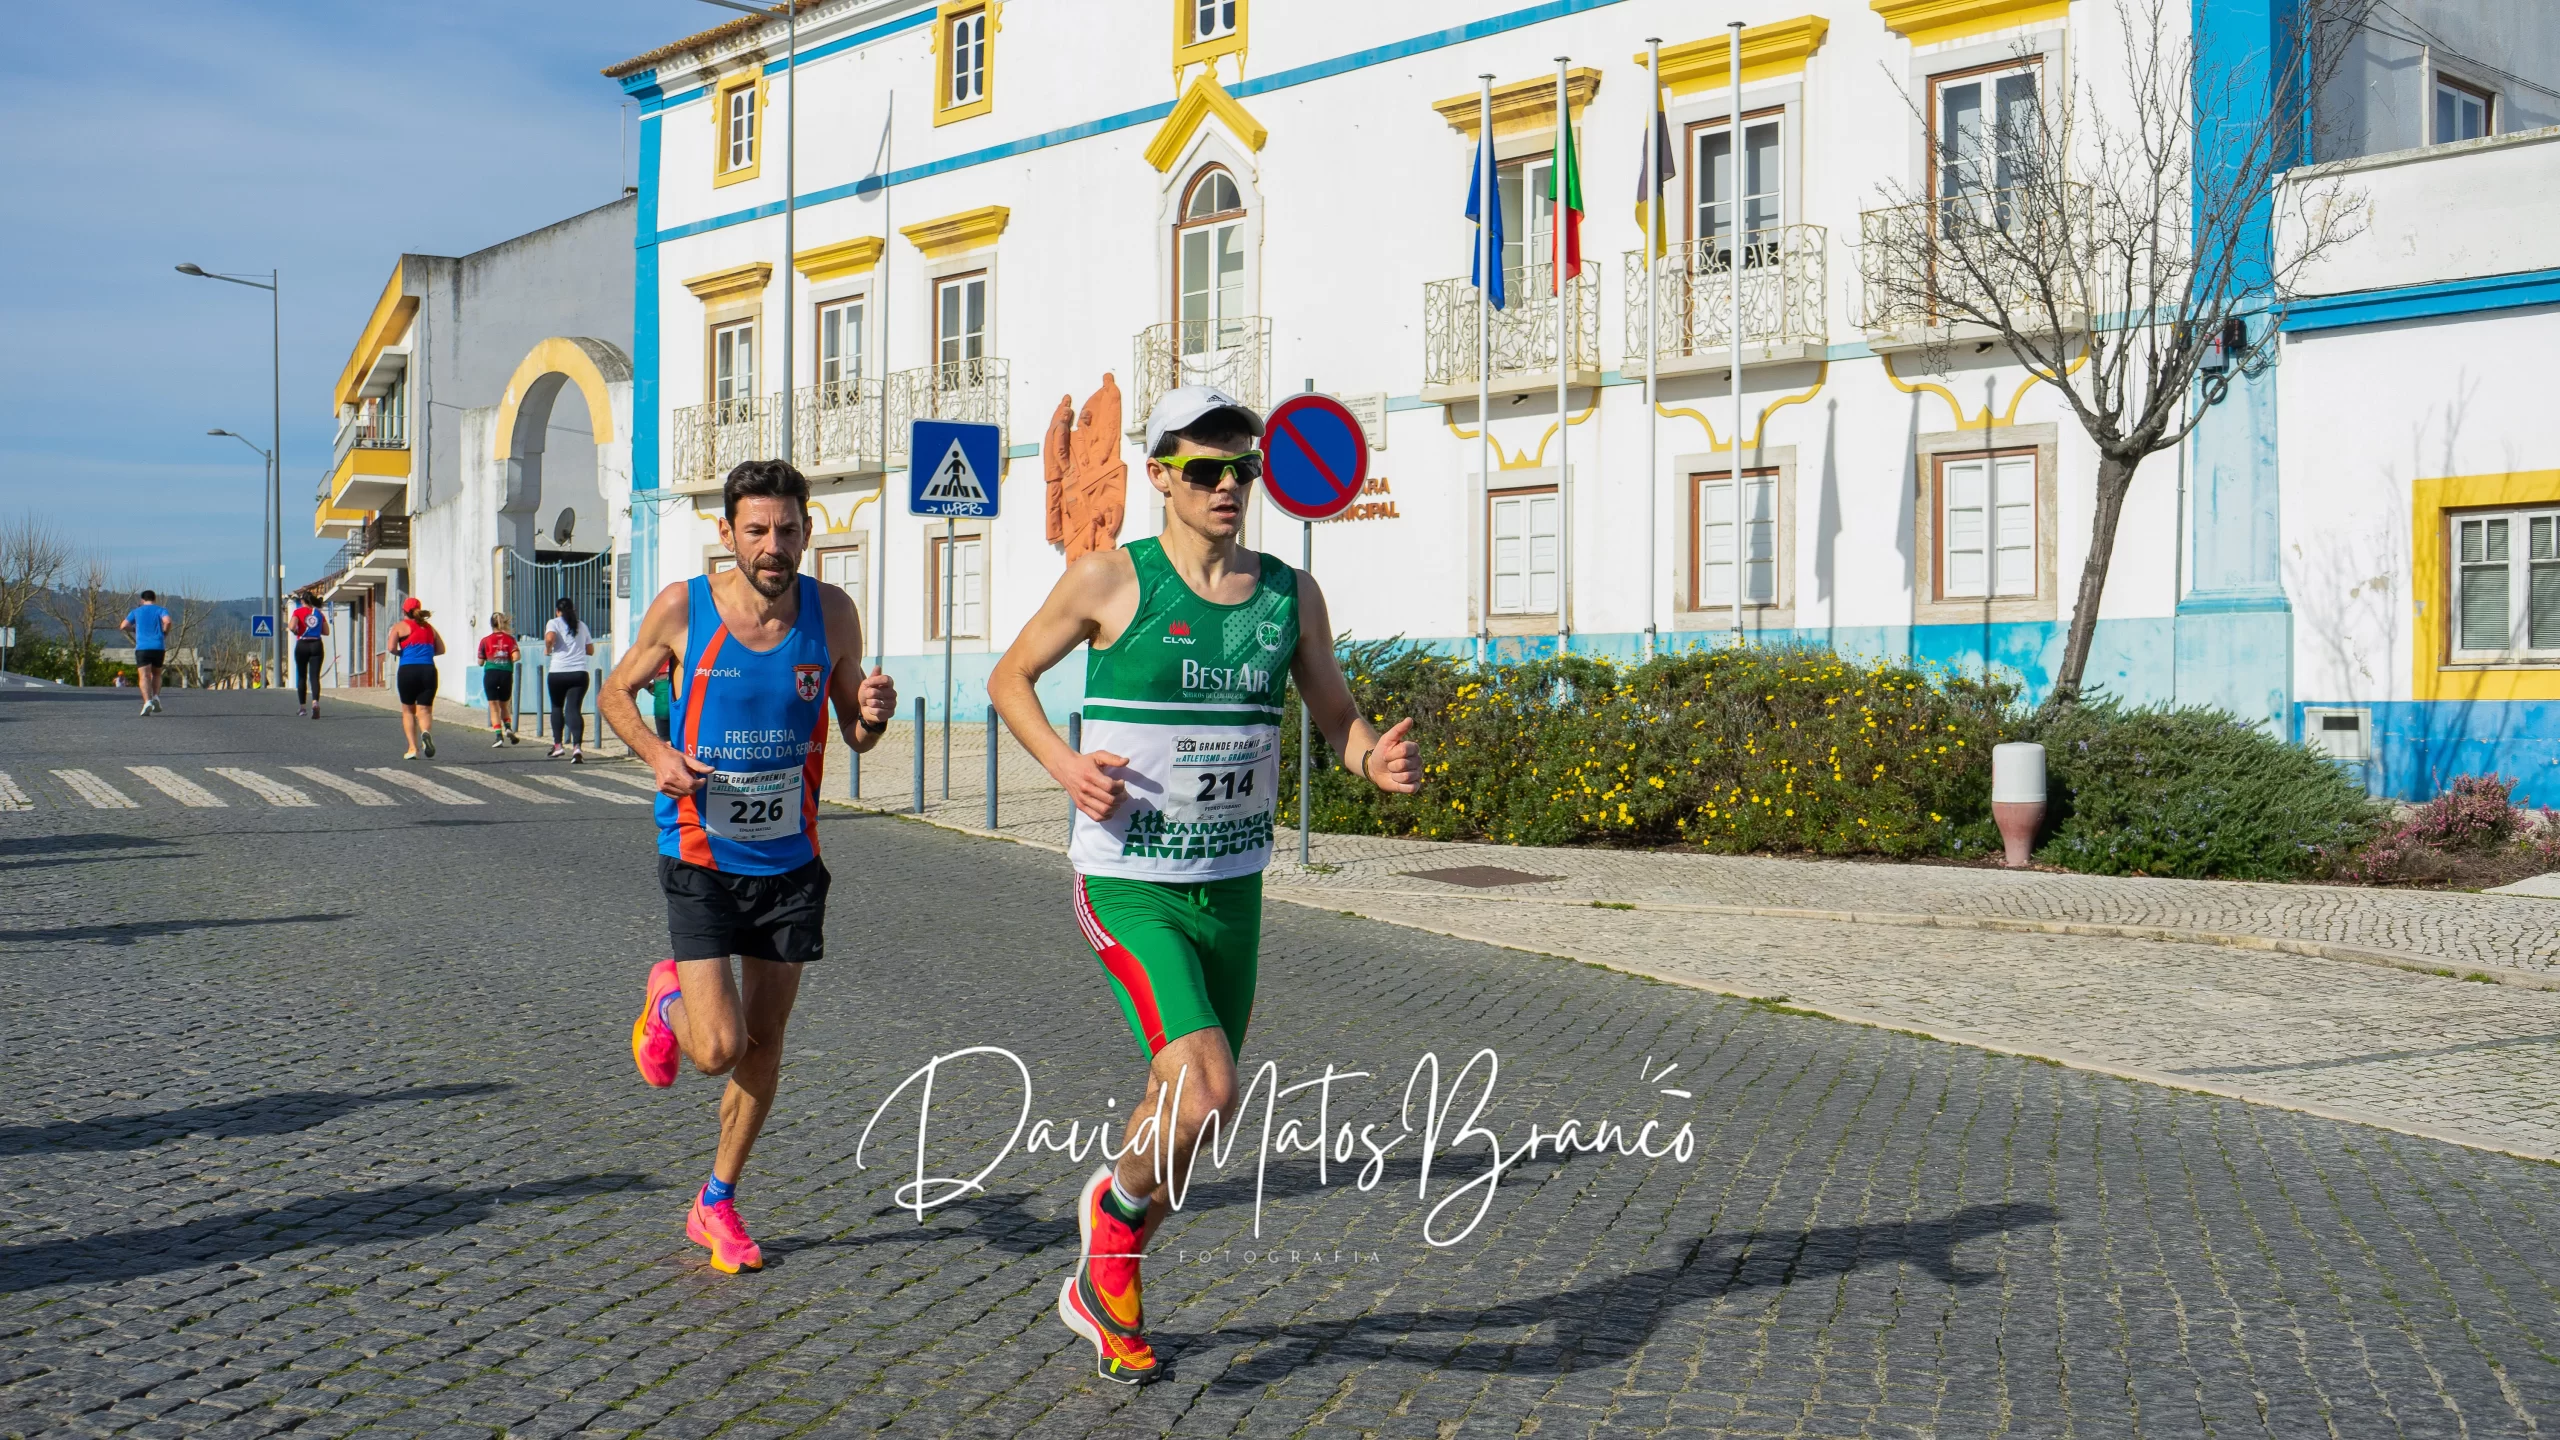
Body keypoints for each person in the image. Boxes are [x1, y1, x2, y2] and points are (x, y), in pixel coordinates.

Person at [987, 386, 1423, 1385]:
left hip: (1232, 888)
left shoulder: (1288, 594)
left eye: (1243, 467)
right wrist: (1062, 764)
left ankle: (1107, 1278)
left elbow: (1336, 714)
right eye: (1204, 469)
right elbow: (1009, 678)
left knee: (1190, 1113)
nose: (1229, 485)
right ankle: (1110, 1219)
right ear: (1160, 479)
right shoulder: (1107, 581)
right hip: (1128, 884)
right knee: (1209, 1084)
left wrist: (1369, 762)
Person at [600, 458, 898, 1276]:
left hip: (792, 861)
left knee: (765, 1045)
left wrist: (873, 715)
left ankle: (717, 1201)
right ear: (727, 534)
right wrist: (656, 753)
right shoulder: (683, 609)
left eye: (789, 530)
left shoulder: (832, 614)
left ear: (809, 531)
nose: (774, 546)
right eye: (757, 531)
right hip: (699, 851)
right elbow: (614, 693)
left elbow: (854, 730)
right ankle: (667, 1000)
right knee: (716, 1048)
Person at [386, 597, 445, 759]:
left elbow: (391, 647)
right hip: (428, 670)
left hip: (408, 670)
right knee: (424, 710)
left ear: (404, 611)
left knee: (408, 710)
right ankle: (425, 733)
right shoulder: (429, 628)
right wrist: (424, 653)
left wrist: (401, 653)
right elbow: (441, 649)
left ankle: (413, 749)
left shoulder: (399, 627)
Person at [545, 597, 597, 763]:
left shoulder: (553, 622)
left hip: (558, 673)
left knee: (557, 707)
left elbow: (550, 638)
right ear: (573, 609)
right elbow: (590, 650)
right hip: (579, 673)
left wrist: (548, 649)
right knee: (574, 709)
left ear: (557, 611)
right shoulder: (582, 625)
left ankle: (558, 745)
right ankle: (577, 748)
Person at [119, 589, 173, 715]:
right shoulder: (161, 610)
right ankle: (156, 697)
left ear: (142, 600)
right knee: (157, 674)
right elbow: (168, 621)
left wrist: (134, 629)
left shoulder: (136, 612)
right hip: (158, 646)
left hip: (143, 647)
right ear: (154, 599)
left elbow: (123, 626)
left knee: (144, 675)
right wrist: (164, 633)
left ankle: (147, 701)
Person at [478, 614, 522, 746]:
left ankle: (498, 736)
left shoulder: (485, 641)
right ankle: (508, 728)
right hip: (506, 674)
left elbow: (480, 662)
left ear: (491, 624)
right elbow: (516, 657)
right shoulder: (510, 639)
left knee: (494, 706)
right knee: (504, 705)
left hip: (491, 674)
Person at [290, 590, 329, 718]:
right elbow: (326, 631)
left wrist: (297, 632)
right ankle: (315, 703)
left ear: (302, 601)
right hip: (317, 645)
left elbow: (291, 626)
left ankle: (302, 708)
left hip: (302, 645)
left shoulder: (298, 612)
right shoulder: (318, 613)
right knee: (314, 676)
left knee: (302, 676)